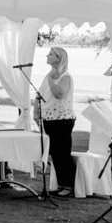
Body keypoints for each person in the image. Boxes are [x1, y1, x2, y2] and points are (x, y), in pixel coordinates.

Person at [36, 46, 76, 197]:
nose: (47, 56)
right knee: (55, 154)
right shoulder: (49, 75)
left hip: (62, 119)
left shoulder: (65, 76)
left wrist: (51, 80)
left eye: (51, 54)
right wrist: (36, 113)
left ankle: (69, 186)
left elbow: (59, 94)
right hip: (49, 118)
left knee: (63, 153)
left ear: (59, 59)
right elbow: (39, 96)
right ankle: (61, 184)